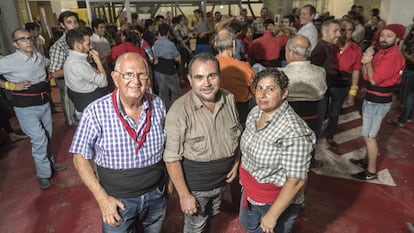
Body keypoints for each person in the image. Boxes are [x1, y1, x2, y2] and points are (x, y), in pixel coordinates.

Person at [70, 53, 167, 232]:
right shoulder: (96, 112)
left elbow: (168, 147)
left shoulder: (158, 105)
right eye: (128, 74)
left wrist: (169, 185)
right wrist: (102, 199)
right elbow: (79, 158)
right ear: (115, 78)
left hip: (156, 194)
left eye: (141, 75)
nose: (136, 81)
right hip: (118, 201)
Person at [163, 53, 242, 233]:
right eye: (199, 77)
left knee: (213, 218)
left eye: (211, 76)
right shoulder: (179, 111)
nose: (206, 83)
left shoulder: (228, 99)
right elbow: (171, 158)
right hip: (196, 189)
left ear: (219, 77)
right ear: (190, 80)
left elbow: (237, 134)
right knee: (196, 226)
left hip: (221, 184)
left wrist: (236, 162)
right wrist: (184, 195)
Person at [238, 68, 315, 233]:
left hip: (273, 201)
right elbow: (248, 148)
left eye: (270, 89)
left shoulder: (294, 131)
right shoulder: (255, 112)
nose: (262, 94)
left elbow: (296, 181)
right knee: (249, 226)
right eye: (259, 88)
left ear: (284, 93)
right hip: (251, 190)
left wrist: (272, 215)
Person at [0, 28, 67, 189]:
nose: (28, 41)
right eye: (22, 39)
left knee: (47, 135)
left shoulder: (38, 57)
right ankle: (43, 174)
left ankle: (50, 163)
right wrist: (10, 85)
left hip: (43, 103)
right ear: (15, 44)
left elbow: (50, 64)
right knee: (39, 139)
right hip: (25, 107)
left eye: (29, 38)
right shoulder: (8, 61)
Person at [350, 24, 406, 180]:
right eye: (383, 35)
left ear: (397, 39)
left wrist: (367, 62)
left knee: (369, 136)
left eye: (389, 36)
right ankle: (367, 161)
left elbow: (373, 79)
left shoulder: (393, 56)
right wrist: (366, 61)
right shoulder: (381, 52)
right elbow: (366, 76)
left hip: (378, 102)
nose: (384, 38)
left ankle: (371, 172)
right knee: (370, 135)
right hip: (371, 99)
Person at [280, 35, 327, 168]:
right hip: (312, 122)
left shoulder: (280, 75)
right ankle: (310, 161)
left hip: (288, 125)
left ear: (290, 52)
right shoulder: (321, 72)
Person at [325, 19, 362, 150]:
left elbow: (356, 71)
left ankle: (330, 136)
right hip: (326, 83)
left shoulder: (356, 49)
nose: (345, 33)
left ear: (352, 32)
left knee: (334, 113)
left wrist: (352, 92)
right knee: (321, 111)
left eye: (349, 29)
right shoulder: (330, 46)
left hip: (341, 86)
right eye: (342, 29)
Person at [310, 19, 341, 155]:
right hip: (319, 93)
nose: (339, 34)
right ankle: (310, 160)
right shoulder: (322, 48)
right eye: (336, 31)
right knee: (315, 127)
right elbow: (314, 70)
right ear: (325, 32)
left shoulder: (329, 47)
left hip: (324, 91)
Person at [64, 29, 107, 119]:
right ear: (78, 46)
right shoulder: (78, 64)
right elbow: (104, 83)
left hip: (83, 103)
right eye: (88, 44)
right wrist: (98, 61)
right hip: (90, 108)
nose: (91, 47)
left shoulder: (72, 59)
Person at [215, 28, 254, 125]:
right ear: (234, 44)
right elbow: (255, 88)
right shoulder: (243, 67)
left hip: (215, 108)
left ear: (215, 44)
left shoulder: (208, 66)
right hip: (240, 109)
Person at [49, 11, 79, 126]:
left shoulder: (81, 39)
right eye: (69, 22)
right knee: (68, 99)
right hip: (65, 80)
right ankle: (70, 121)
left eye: (75, 22)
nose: (73, 25)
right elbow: (54, 73)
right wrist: (75, 68)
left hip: (81, 79)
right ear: (62, 25)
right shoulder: (59, 46)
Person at [152, 23, 181, 106]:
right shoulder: (171, 44)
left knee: (163, 92)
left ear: (159, 33)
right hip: (169, 70)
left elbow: (155, 57)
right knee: (176, 91)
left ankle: (163, 110)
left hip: (158, 70)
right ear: (168, 32)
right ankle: (175, 108)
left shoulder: (155, 44)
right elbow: (177, 58)